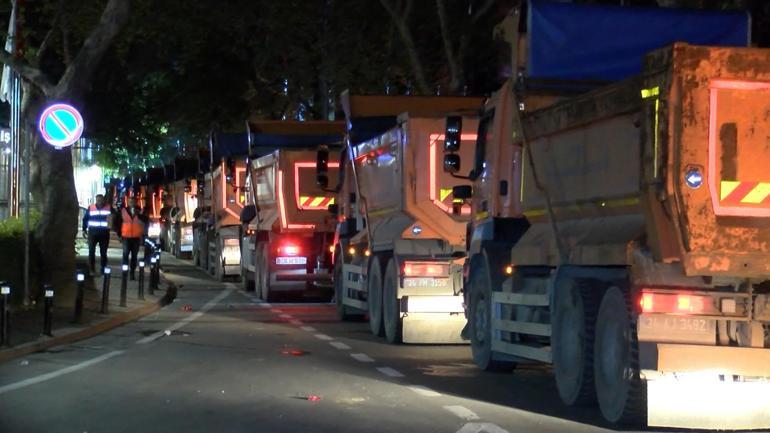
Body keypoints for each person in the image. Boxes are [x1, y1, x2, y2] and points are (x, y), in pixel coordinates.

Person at [114, 196, 148, 280]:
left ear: (135, 202)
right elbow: (118, 223)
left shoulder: (139, 212)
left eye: (133, 201)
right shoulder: (123, 211)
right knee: (125, 254)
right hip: (126, 237)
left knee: (134, 256)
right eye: (130, 201)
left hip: (136, 237)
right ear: (127, 202)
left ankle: (132, 272)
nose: (131, 203)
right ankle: (124, 272)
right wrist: (119, 234)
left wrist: (138, 214)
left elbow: (145, 221)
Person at [82, 193, 113, 275]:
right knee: (91, 252)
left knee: (103, 253)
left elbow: (114, 217)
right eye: (98, 200)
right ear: (96, 200)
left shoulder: (109, 208)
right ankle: (92, 269)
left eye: (101, 200)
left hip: (104, 233)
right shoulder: (91, 208)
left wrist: (112, 226)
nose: (99, 202)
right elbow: (85, 219)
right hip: (93, 233)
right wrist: (84, 229)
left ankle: (103, 269)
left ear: (103, 200)